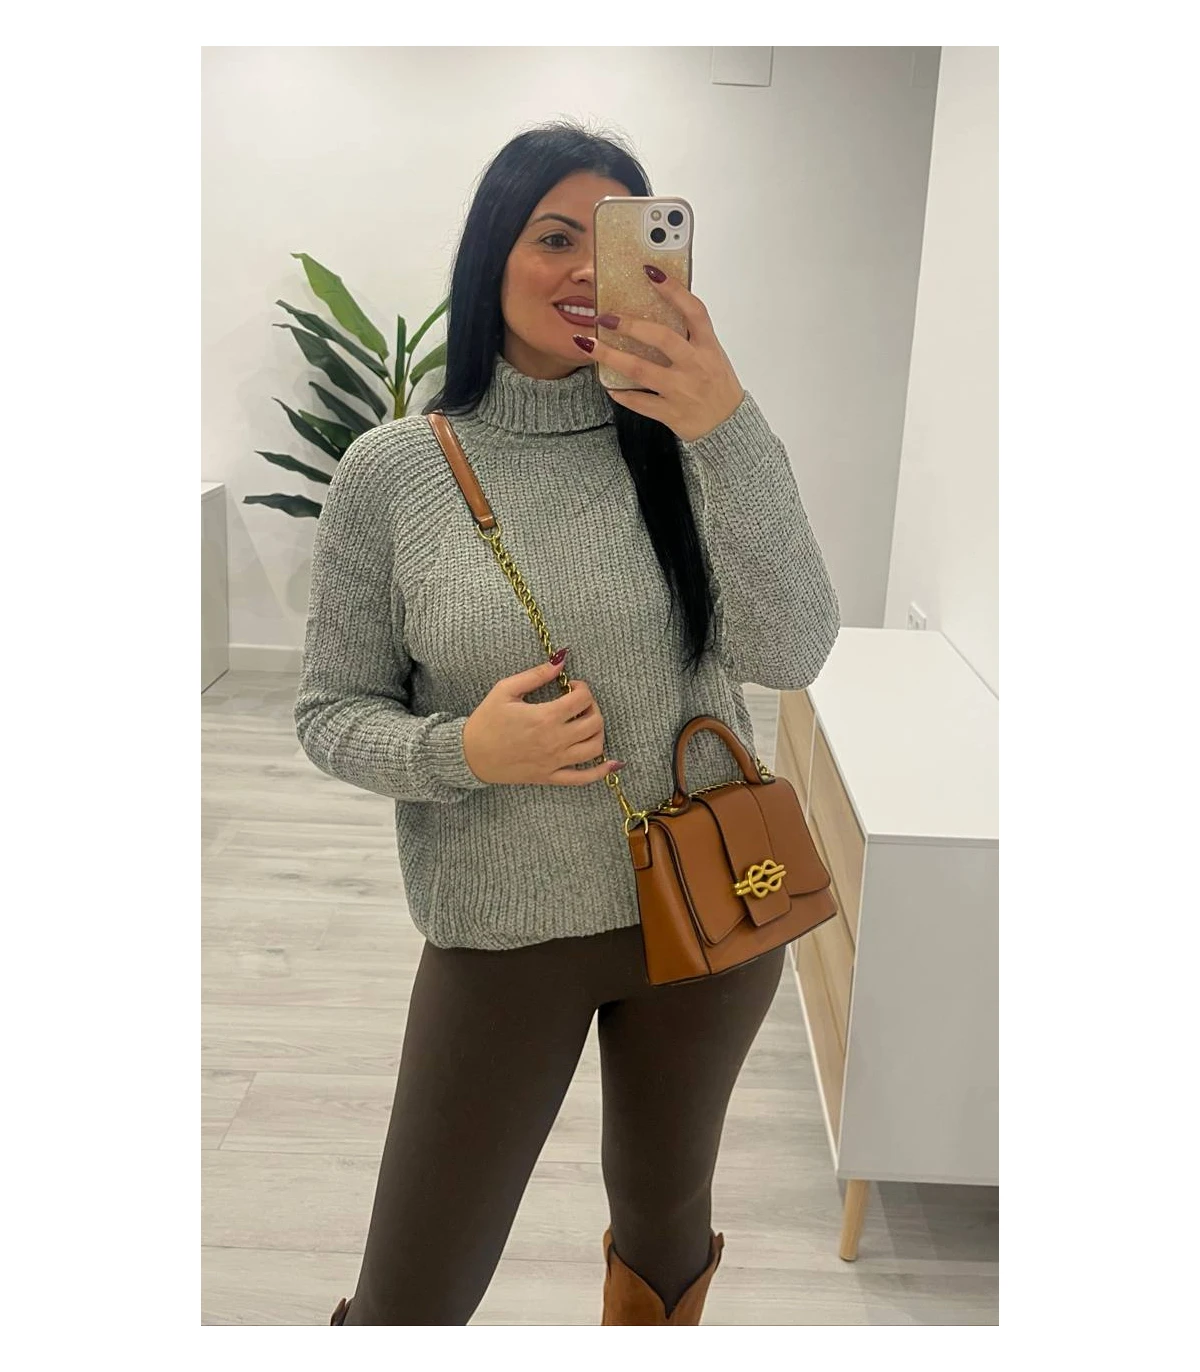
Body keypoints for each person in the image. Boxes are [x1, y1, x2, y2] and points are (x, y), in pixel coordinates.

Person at [294, 119, 841, 1326]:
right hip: (502, 931)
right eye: (554, 238)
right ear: (490, 253)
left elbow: (791, 650)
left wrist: (725, 422)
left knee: (665, 1229)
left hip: (710, 911)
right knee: (412, 1292)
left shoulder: (696, 443)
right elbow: (329, 713)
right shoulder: (392, 472)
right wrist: (463, 750)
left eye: (618, 245)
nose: (588, 271)